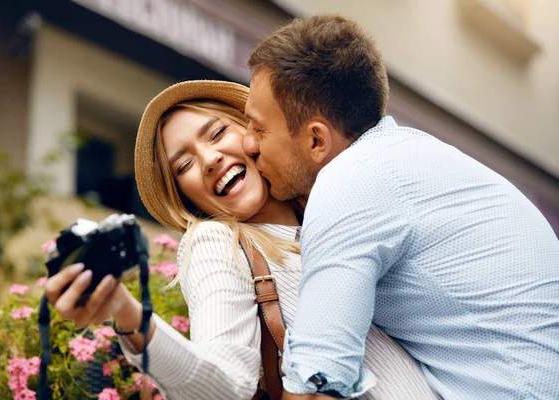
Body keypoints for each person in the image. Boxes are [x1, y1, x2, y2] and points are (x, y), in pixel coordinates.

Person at [44, 80, 438, 400]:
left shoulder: (334, 218)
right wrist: (129, 314)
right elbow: (224, 387)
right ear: (185, 196)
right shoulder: (215, 242)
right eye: (184, 165)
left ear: (254, 133)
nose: (210, 159)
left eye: (216, 133)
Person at [242, 14, 559, 400]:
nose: (247, 145)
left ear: (316, 141)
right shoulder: (409, 158)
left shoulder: (350, 181)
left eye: (259, 129)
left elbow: (316, 385)